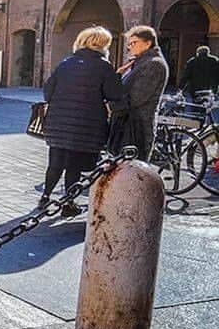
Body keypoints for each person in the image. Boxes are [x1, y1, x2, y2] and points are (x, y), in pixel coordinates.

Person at [40, 26, 126, 205]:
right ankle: (68, 203)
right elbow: (114, 94)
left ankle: (45, 197)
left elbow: (47, 92)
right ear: (103, 45)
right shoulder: (104, 66)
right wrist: (117, 77)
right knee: (74, 167)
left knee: (55, 163)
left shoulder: (66, 63)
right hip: (86, 126)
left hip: (58, 124)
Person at [112, 25, 169, 161]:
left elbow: (136, 98)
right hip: (127, 125)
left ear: (148, 43)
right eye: (129, 44)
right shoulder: (139, 62)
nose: (130, 47)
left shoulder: (154, 64)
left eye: (134, 43)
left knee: (133, 175)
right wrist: (119, 75)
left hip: (138, 129)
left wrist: (111, 106)